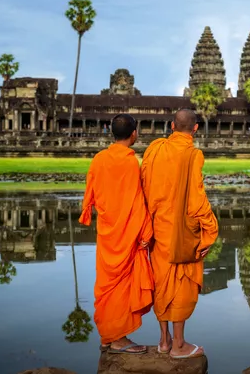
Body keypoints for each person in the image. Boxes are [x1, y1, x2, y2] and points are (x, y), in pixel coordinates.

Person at [141, 109, 219, 359]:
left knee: (161, 281)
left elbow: (144, 185)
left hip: (157, 228)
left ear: (172, 125)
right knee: (181, 283)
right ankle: (179, 345)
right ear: (195, 129)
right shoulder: (193, 154)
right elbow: (196, 199)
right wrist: (210, 230)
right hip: (182, 232)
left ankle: (163, 340)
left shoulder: (155, 148)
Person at [79, 113, 154, 355]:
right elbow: (136, 200)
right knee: (121, 285)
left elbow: (90, 192)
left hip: (108, 230)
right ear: (134, 133)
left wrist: (90, 212)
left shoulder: (99, 158)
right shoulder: (130, 162)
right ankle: (118, 339)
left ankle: (108, 336)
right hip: (126, 232)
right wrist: (145, 231)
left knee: (106, 284)